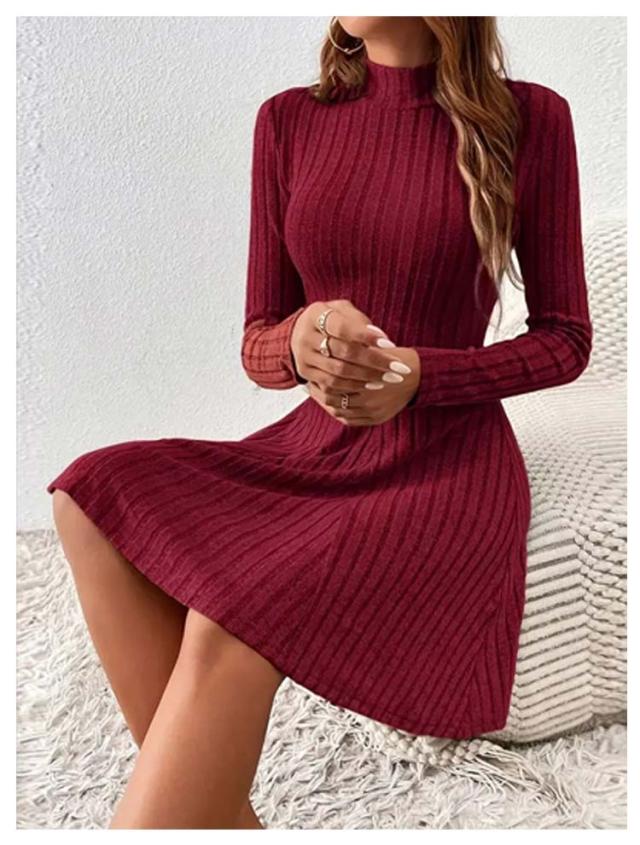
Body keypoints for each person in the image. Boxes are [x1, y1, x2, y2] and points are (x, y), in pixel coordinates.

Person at [46, 16, 592, 830]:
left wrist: (421, 375)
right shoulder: (288, 121)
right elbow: (257, 338)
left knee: (231, 613)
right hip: (317, 445)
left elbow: (566, 339)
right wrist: (299, 342)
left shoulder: (530, 118)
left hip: (447, 462)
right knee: (88, 493)